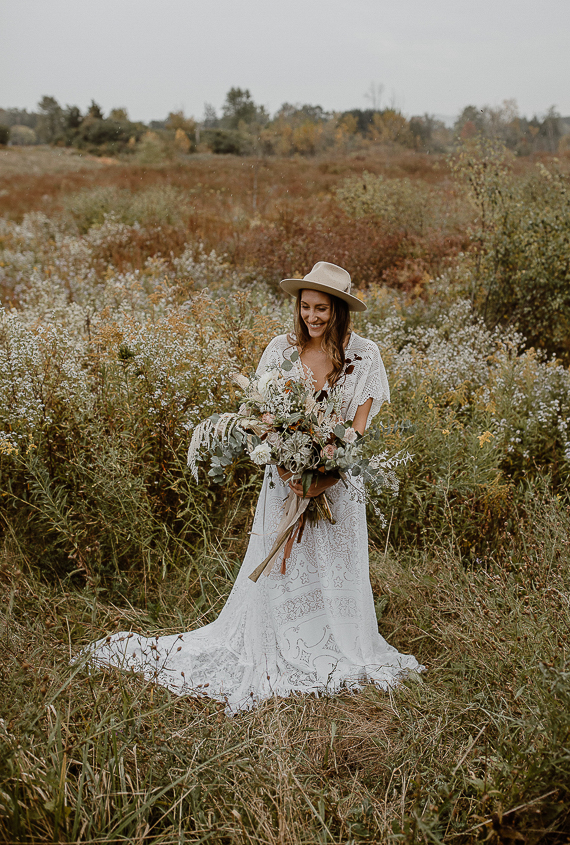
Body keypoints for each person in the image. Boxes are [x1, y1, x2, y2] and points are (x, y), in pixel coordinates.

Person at [85, 261, 422, 713]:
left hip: (336, 484)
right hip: (282, 484)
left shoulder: (365, 356)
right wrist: (289, 472)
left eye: (322, 308)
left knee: (333, 563)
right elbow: (260, 420)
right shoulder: (279, 351)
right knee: (284, 569)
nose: (312, 317)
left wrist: (327, 475)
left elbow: (358, 428)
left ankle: (335, 641)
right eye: (305, 307)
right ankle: (283, 640)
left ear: (340, 310)